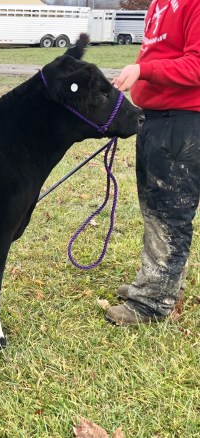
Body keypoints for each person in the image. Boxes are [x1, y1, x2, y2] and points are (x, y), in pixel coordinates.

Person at [107, 0, 200, 324]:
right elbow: (155, 57)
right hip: (154, 118)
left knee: (169, 212)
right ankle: (156, 283)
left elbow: (197, 65)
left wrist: (142, 71)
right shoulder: (158, 5)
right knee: (153, 206)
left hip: (183, 120)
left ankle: (153, 302)